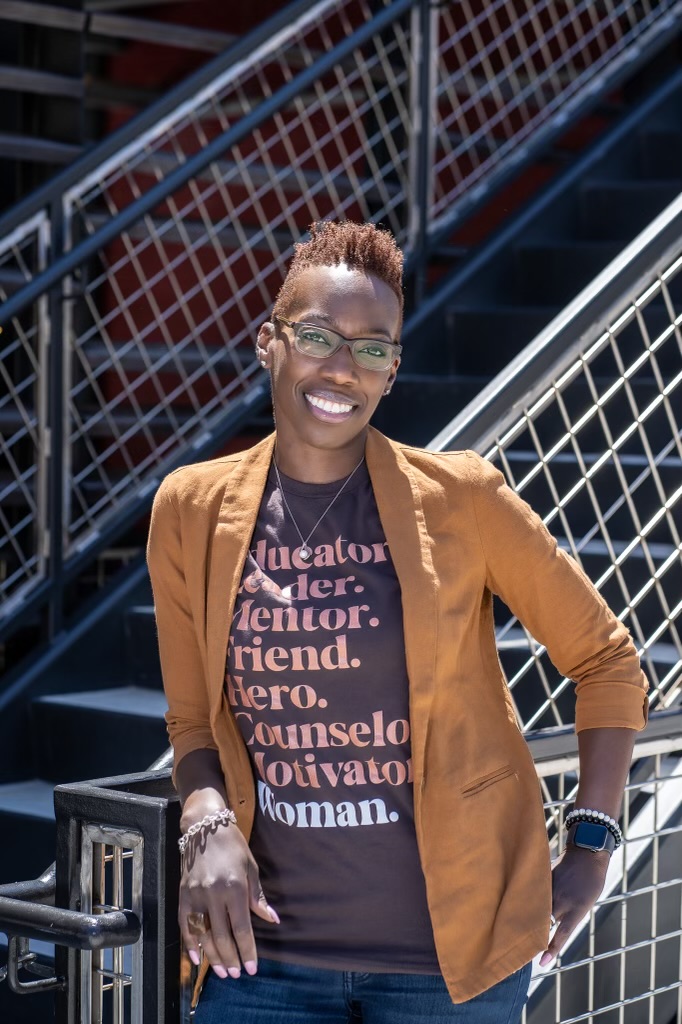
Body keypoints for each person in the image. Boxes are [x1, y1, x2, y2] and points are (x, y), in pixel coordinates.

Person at [147, 220, 649, 1023]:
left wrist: (591, 840)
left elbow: (607, 661)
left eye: (371, 348)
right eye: (317, 336)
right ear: (269, 344)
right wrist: (204, 818)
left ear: (392, 373)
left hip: (450, 968)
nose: (341, 368)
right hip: (263, 960)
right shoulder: (191, 510)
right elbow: (192, 723)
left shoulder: (462, 499)